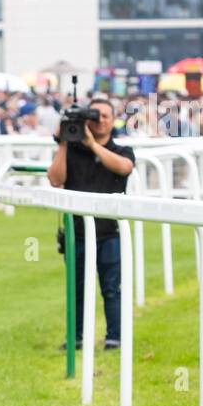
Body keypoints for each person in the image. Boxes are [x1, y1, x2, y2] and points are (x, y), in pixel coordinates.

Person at [47, 98, 136, 350]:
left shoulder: (122, 151)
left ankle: (114, 337)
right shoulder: (71, 151)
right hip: (77, 233)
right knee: (77, 290)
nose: (101, 120)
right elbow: (55, 180)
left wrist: (92, 145)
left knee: (111, 288)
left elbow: (124, 168)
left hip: (109, 233)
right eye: (96, 116)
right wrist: (63, 142)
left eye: (105, 116)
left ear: (113, 120)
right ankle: (76, 337)